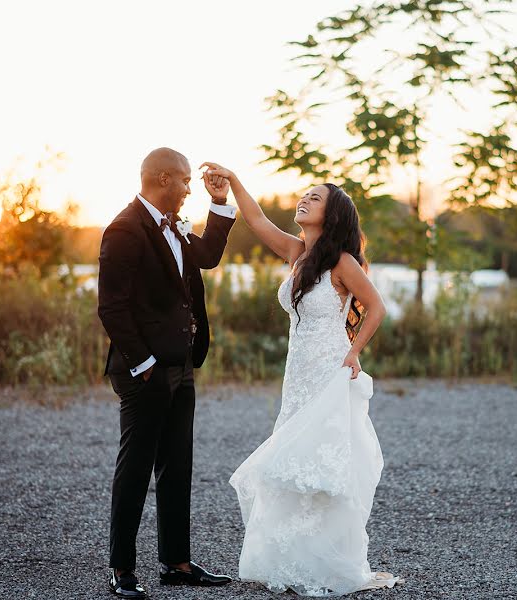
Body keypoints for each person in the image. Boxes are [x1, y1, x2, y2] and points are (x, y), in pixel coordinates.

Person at [201, 162, 403, 596]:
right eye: (305, 194)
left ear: (331, 216)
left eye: (315, 198)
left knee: (319, 460)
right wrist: (233, 182)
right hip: (298, 372)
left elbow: (376, 307)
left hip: (328, 369)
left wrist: (353, 351)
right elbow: (254, 220)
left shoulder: (342, 262)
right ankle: (293, 557)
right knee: (294, 461)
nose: (304, 200)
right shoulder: (298, 253)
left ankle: (327, 560)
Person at [97, 148, 236, 598]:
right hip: (145, 371)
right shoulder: (124, 229)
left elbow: (208, 256)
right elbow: (112, 308)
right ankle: (121, 569)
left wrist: (219, 202)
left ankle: (176, 563)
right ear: (162, 178)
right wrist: (144, 364)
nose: (190, 188)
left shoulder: (176, 225)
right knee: (135, 469)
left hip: (181, 365)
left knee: (177, 467)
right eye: (186, 181)